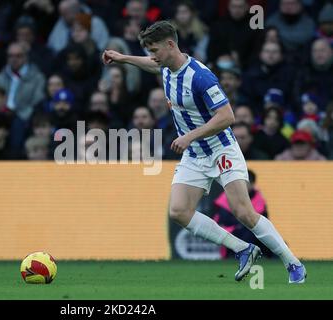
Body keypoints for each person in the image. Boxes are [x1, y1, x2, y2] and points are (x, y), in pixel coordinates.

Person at [102, 20, 306, 283]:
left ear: (171, 45)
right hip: (195, 154)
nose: (153, 55)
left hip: (221, 149)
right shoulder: (165, 67)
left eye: (155, 49)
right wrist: (122, 58)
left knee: (243, 211)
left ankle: (293, 263)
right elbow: (152, 64)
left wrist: (189, 136)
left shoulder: (200, 76)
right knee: (178, 211)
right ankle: (242, 249)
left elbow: (227, 116)